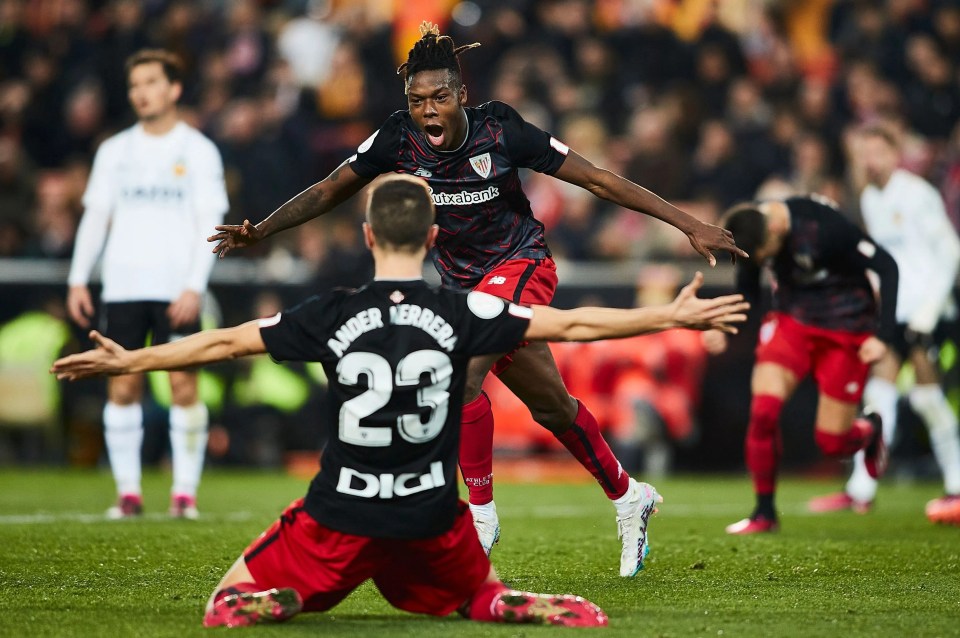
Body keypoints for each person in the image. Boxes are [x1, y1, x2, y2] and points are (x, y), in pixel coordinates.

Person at [52, 175, 749, 628]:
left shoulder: (327, 312)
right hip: (430, 517)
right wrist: (672, 318)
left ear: (366, 236)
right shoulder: (465, 311)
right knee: (472, 593)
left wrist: (132, 357)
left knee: (221, 606)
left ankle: (293, 594)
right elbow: (574, 323)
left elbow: (224, 344)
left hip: (340, 513)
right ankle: (496, 599)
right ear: (435, 238)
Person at [208, 21, 747, 577]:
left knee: (460, 367)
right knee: (551, 405)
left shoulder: (502, 130)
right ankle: (629, 495)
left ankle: (481, 517)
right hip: (462, 284)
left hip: (521, 263)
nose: (428, 110)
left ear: (462, 94)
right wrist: (262, 230)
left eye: (440, 97)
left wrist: (687, 223)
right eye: (417, 100)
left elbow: (600, 180)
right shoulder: (397, 138)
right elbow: (328, 188)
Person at [65, 49, 229, 519]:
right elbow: (96, 218)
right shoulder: (114, 151)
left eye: (151, 82)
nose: (141, 92)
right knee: (122, 386)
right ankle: (128, 494)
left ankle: (184, 495)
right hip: (122, 287)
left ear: (173, 89)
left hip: (177, 288)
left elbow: (210, 221)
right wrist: (79, 279)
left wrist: (195, 285)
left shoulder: (198, 150)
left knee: (183, 387)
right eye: (135, 84)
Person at [705, 194, 899, 534]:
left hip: (846, 326)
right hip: (792, 322)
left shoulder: (826, 228)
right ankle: (764, 512)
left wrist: (882, 336)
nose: (763, 260)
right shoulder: (754, 230)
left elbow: (887, 266)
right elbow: (749, 290)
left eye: (765, 253)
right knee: (763, 412)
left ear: (778, 228)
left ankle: (869, 430)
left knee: (832, 443)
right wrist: (726, 329)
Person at [809, 126, 960, 525]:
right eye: (864, 152)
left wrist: (930, 311)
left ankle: (956, 485)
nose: (870, 159)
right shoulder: (871, 197)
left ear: (895, 154)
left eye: (878, 151)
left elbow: (950, 251)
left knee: (927, 398)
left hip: (929, 311)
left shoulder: (917, 194)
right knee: (879, 393)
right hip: (895, 312)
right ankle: (861, 489)